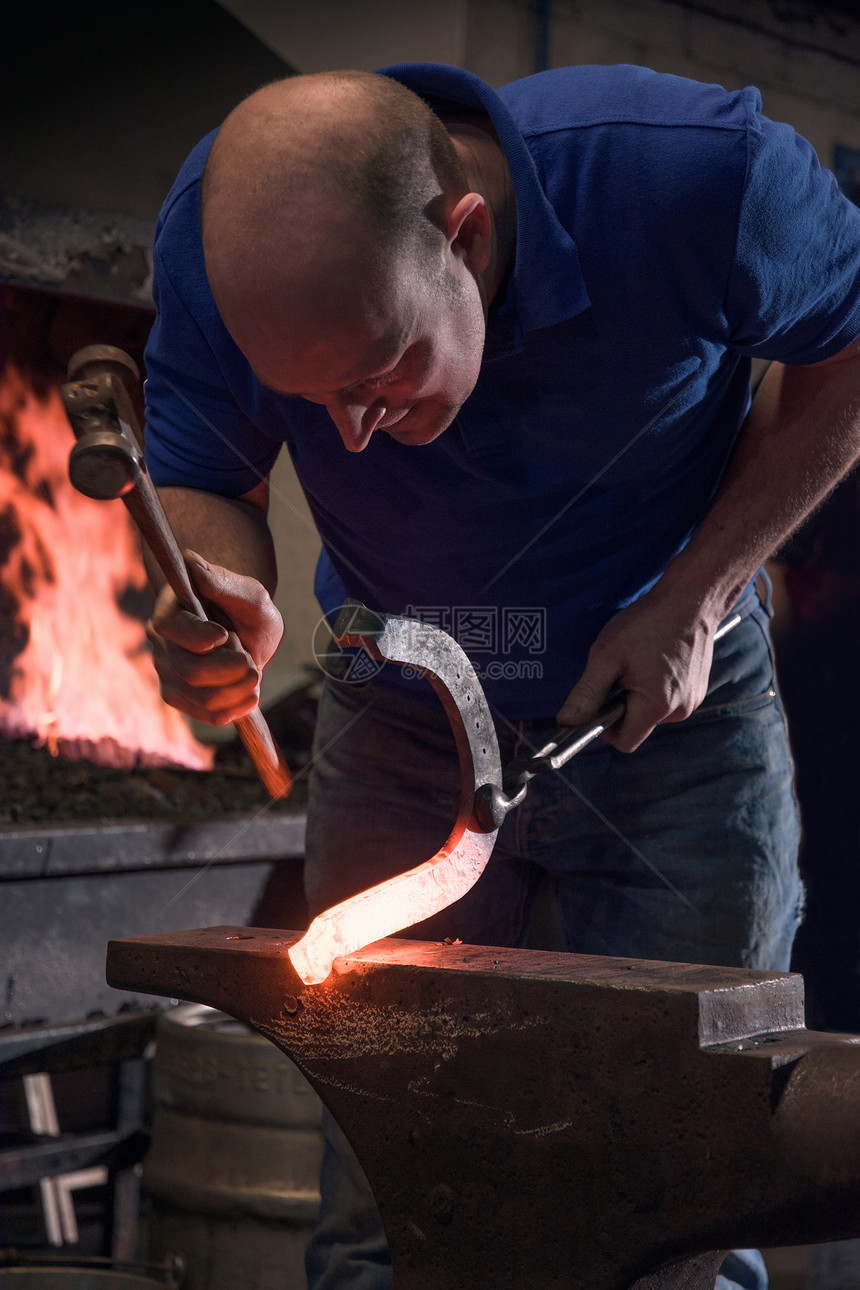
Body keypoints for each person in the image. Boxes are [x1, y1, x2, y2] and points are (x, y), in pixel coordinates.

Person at [141, 62, 860, 1290]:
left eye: (377, 377)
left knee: (691, 1155)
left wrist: (698, 591)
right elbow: (208, 467)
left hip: (667, 696)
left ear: (462, 238)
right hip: (400, 700)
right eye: (317, 405)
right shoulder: (226, 230)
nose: (351, 435)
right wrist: (215, 594)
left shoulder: (697, 181)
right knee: (386, 1168)